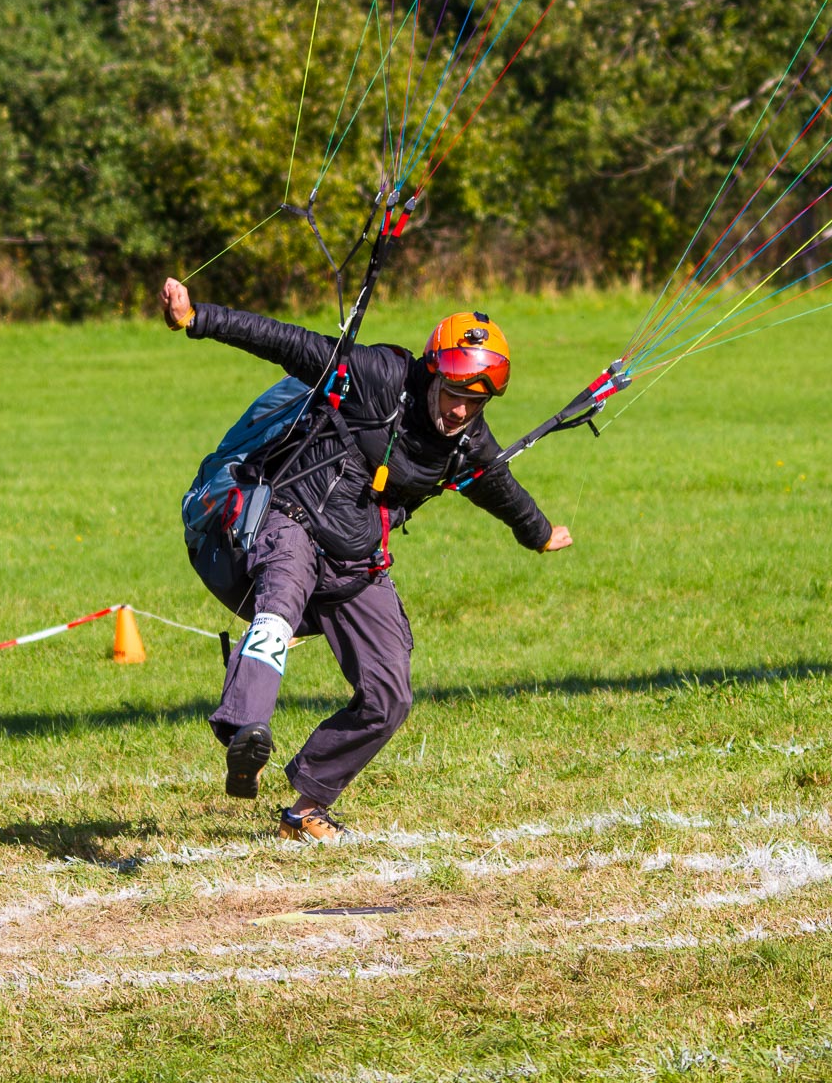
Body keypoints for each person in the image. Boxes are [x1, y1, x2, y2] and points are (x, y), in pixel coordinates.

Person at [160, 277, 573, 843]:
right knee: (279, 606)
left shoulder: (467, 443)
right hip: (293, 517)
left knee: (389, 695)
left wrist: (540, 533)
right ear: (433, 374)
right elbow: (287, 342)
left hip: (357, 559)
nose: (460, 410)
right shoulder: (379, 377)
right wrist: (198, 317)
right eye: (454, 393)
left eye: (475, 401)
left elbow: (499, 487)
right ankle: (246, 731)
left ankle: (305, 810)